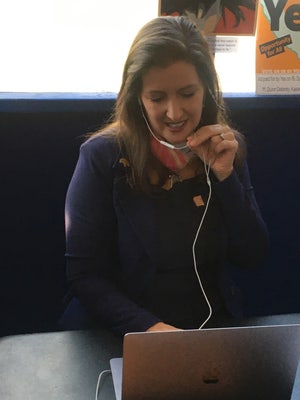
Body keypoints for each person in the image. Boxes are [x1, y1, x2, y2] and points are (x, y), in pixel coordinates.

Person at [61, 15, 269, 336]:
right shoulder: (102, 157)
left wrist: (225, 178)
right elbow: (84, 276)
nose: (174, 113)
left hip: (210, 330)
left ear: (207, 91)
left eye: (188, 93)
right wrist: (152, 330)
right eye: (157, 98)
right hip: (124, 333)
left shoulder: (226, 148)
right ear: (138, 99)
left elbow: (253, 255)